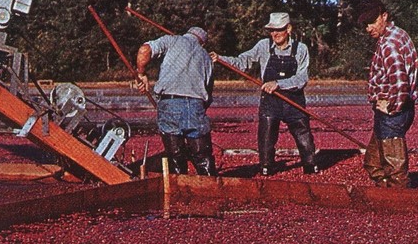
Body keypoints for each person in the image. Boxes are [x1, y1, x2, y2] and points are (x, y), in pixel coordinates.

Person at [210, 12, 318, 176]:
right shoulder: (263, 46)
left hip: (293, 100)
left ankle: (310, 166)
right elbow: (242, 61)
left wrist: (278, 84)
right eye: (271, 30)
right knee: (266, 137)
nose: (274, 34)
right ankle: (266, 168)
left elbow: (302, 78)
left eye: (279, 29)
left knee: (303, 136)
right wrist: (220, 59)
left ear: (288, 29)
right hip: (270, 101)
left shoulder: (301, 49)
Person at [135, 26, 217, 176]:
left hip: (168, 103)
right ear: (203, 43)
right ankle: (211, 185)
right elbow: (208, 94)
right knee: (202, 157)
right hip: (195, 104)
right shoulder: (206, 58)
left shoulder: (171, 41)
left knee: (175, 156)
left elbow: (144, 50)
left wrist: (141, 74)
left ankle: (178, 186)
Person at [356, 0, 418, 188]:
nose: (368, 28)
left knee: (395, 169)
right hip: (394, 110)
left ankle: (398, 197)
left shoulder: (389, 45)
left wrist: (392, 107)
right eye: (366, 24)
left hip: (392, 111)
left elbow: (400, 82)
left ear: (384, 16)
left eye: (372, 22)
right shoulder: (399, 34)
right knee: (373, 162)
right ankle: (384, 190)